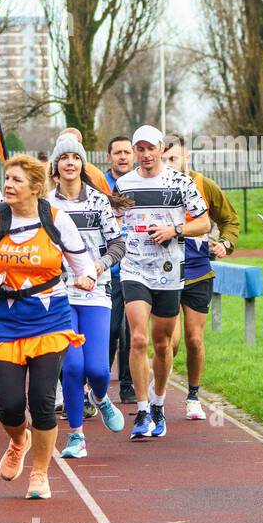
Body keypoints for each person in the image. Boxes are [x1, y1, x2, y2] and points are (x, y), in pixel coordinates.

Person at [0, 154, 98, 498]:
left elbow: (82, 264)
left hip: (49, 320)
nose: (7, 185)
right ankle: (18, 440)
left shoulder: (55, 219)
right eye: (7, 178)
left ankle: (40, 473)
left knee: (41, 401)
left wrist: (85, 278)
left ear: (36, 189)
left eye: (16, 180)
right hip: (5, 321)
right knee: (9, 406)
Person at [114, 125, 210, 440]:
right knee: (138, 339)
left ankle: (158, 402)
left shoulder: (180, 183)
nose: (144, 155)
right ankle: (141, 411)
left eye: (149, 148)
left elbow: (204, 223)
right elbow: (114, 221)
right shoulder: (123, 183)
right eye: (138, 149)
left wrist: (175, 230)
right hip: (134, 268)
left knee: (162, 344)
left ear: (159, 148)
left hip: (169, 269)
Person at [46, 136, 128, 459]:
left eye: (75, 158)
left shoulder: (98, 201)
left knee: (97, 369)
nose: (70, 163)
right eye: (63, 158)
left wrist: (99, 265)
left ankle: (101, 397)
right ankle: (76, 436)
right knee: (73, 367)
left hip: (96, 291)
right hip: (60, 293)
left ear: (82, 165)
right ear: (56, 166)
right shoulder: (46, 206)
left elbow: (118, 245)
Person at [163, 136, 240, 420]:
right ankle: (158, 394)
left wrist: (225, 244)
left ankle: (193, 396)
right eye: (164, 159)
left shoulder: (204, 185)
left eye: (174, 159)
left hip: (197, 272)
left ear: (187, 158)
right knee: (169, 341)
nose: (168, 165)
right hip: (164, 274)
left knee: (194, 339)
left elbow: (229, 220)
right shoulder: (152, 186)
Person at [104, 135, 137, 403]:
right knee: (111, 330)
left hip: (137, 269)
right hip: (110, 271)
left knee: (131, 331)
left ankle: (128, 384)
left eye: (127, 151)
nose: (123, 156)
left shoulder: (142, 183)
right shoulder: (101, 185)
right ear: (109, 156)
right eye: (118, 152)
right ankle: (99, 383)